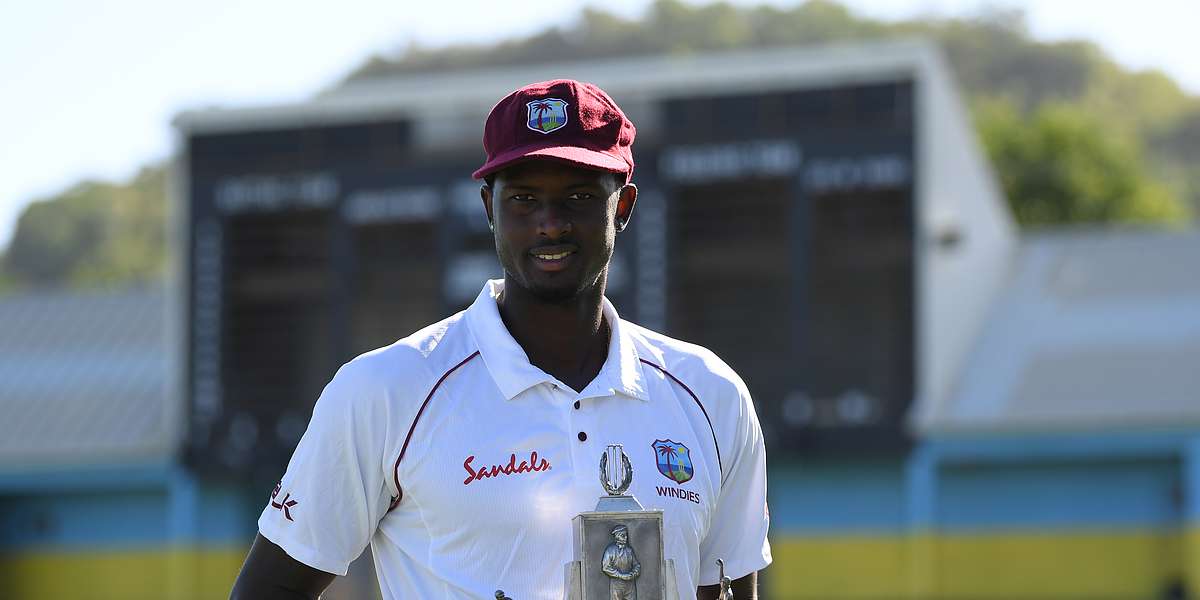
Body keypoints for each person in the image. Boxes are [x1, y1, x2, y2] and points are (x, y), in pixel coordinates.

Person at [230, 79, 771, 600]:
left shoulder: (711, 394)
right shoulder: (385, 390)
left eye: (579, 197)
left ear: (622, 207)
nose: (550, 224)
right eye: (524, 199)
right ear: (489, 208)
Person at [601, 525, 642, 599]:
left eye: (626, 535)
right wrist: (620, 575)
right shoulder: (610, 551)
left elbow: (637, 565)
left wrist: (633, 574)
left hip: (630, 585)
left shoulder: (629, 551)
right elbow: (605, 567)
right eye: (623, 535)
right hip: (617, 585)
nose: (626, 537)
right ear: (617, 537)